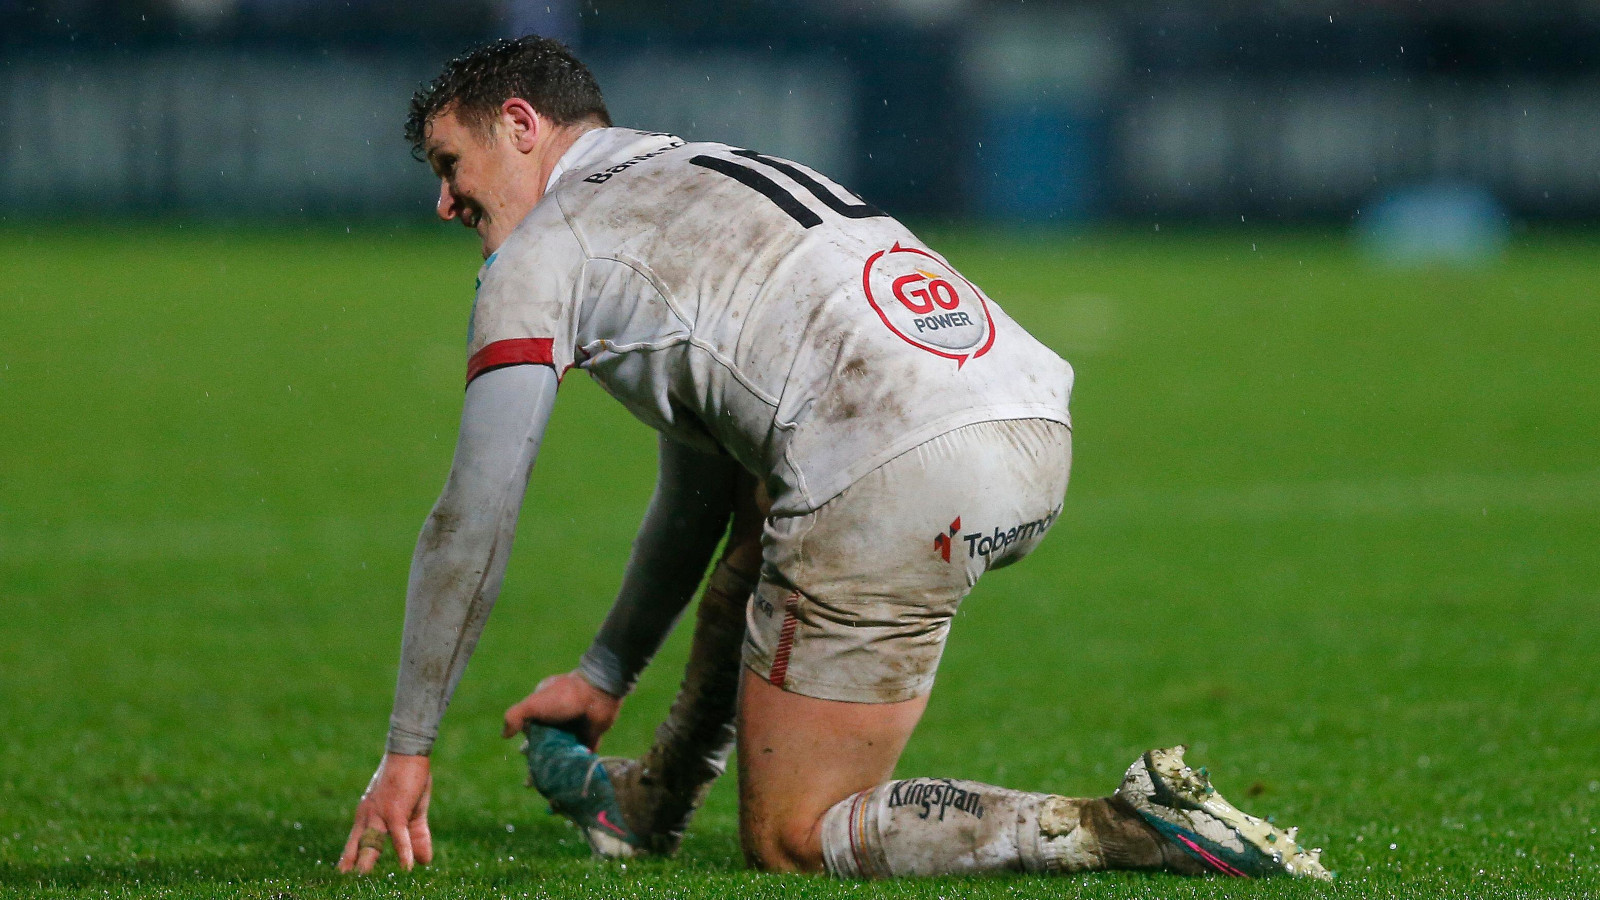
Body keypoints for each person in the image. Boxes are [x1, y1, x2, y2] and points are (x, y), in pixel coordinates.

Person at [336, 35, 1330, 882]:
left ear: (521, 125)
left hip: (896, 470)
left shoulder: (540, 255)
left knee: (793, 836)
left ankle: (1117, 827)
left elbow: (475, 512)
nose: (445, 202)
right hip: (1029, 422)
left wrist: (406, 751)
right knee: (762, 510)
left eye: (448, 164)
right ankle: (651, 801)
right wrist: (605, 672)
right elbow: (707, 489)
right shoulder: (695, 169)